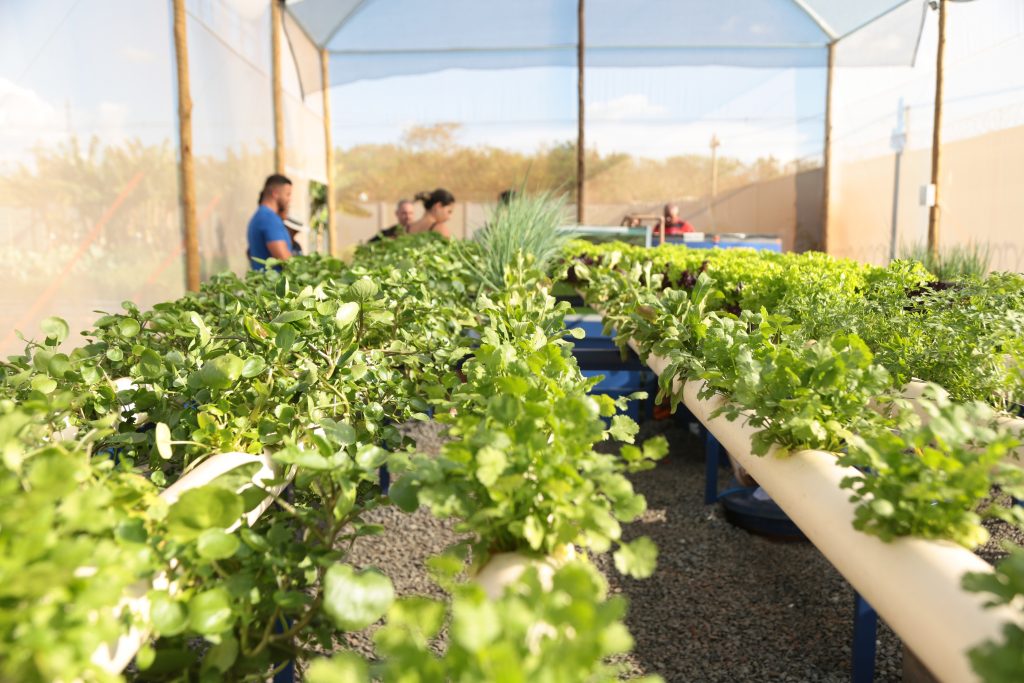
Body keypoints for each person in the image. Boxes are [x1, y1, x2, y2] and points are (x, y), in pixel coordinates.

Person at [247, 174, 293, 270]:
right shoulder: (269, 219)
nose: (289, 199)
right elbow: (284, 259)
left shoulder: (259, 216)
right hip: (273, 283)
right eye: (287, 194)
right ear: (275, 193)